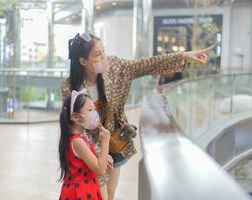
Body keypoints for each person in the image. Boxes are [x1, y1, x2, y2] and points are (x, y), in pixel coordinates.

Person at [61, 32, 214, 200]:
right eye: (98, 55)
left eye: (103, 51)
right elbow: (76, 126)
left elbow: (145, 65)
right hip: (92, 151)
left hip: (116, 140)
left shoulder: (115, 66)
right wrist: (100, 154)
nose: (105, 57)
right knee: (100, 193)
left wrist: (182, 55)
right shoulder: (70, 88)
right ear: (83, 61)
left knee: (110, 193)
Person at [58, 90, 112, 200]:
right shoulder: (77, 141)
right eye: (90, 110)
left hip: (85, 188)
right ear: (76, 117)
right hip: (81, 192)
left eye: (95, 109)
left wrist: (104, 157)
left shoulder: (81, 136)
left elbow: (87, 161)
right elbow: (100, 170)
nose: (94, 113)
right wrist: (106, 142)